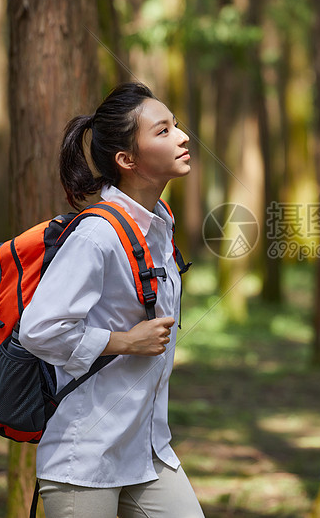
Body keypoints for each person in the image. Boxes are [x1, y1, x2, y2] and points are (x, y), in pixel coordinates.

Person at [19, 82, 204, 518]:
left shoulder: (159, 230)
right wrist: (124, 342)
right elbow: (39, 329)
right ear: (127, 160)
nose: (182, 137)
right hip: (85, 458)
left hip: (148, 451)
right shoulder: (97, 235)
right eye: (163, 131)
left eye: (176, 126)